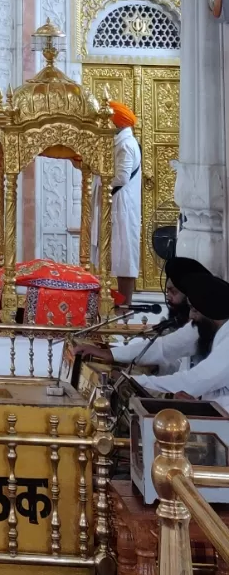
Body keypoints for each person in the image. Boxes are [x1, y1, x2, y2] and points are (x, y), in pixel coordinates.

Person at [75, 255, 212, 373]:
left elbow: (164, 349)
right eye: (167, 292)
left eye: (174, 292)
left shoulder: (202, 326)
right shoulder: (179, 321)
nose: (169, 297)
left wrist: (110, 354)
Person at [134, 271, 229, 401]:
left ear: (211, 311)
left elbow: (194, 380)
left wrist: (136, 382)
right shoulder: (210, 332)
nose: (191, 316)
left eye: (195, 310)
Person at [109, 100, 142, 307]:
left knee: (125, 257)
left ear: (117, 123)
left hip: (123, 205)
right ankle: (119, 303)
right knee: (119, 256)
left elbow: (121, 177)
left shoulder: (126, 145)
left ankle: (125, 305)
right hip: (118, 204)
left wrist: (101, 176)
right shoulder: (121, 142)